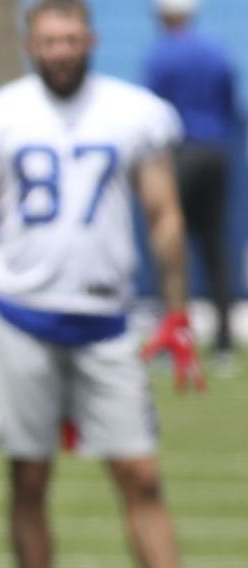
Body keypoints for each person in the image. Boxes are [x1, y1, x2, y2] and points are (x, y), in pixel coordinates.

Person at [0, 1, 205, 567]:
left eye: (71, 39)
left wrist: (177, 311)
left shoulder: (136, 113)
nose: (61, 50)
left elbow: (164, 215)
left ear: (91, 40)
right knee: (30, 478)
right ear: (29, 46)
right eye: (51, 41)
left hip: (107, 321)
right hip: (20, 317)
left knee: (141, 474)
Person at [144, 0, 238, 369]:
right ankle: (224, 345)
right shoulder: (216, 52)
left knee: (169, 242)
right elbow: (229, 103)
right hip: (215, 152)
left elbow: (153, 112)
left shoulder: (161, 56)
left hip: (178, 156)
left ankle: (175, 336)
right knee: (216, 247)